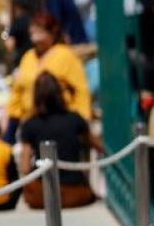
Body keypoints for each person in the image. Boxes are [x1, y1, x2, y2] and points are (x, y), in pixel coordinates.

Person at [18, 72, 101, 209]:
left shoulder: (30, 125)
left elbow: (25, 168)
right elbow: (98, 145)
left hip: (42, 198)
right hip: (76, 195)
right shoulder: (75, 119)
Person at [6, 13, 92, 129]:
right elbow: (18, 89)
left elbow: (81, 89)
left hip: (61, 123)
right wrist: (13, 118)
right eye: (32, 34)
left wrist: (82, 120)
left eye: (39, 33)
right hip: (32, 124)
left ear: (52, 33)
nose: (34, 39)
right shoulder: (28, 57)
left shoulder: (65, 56)